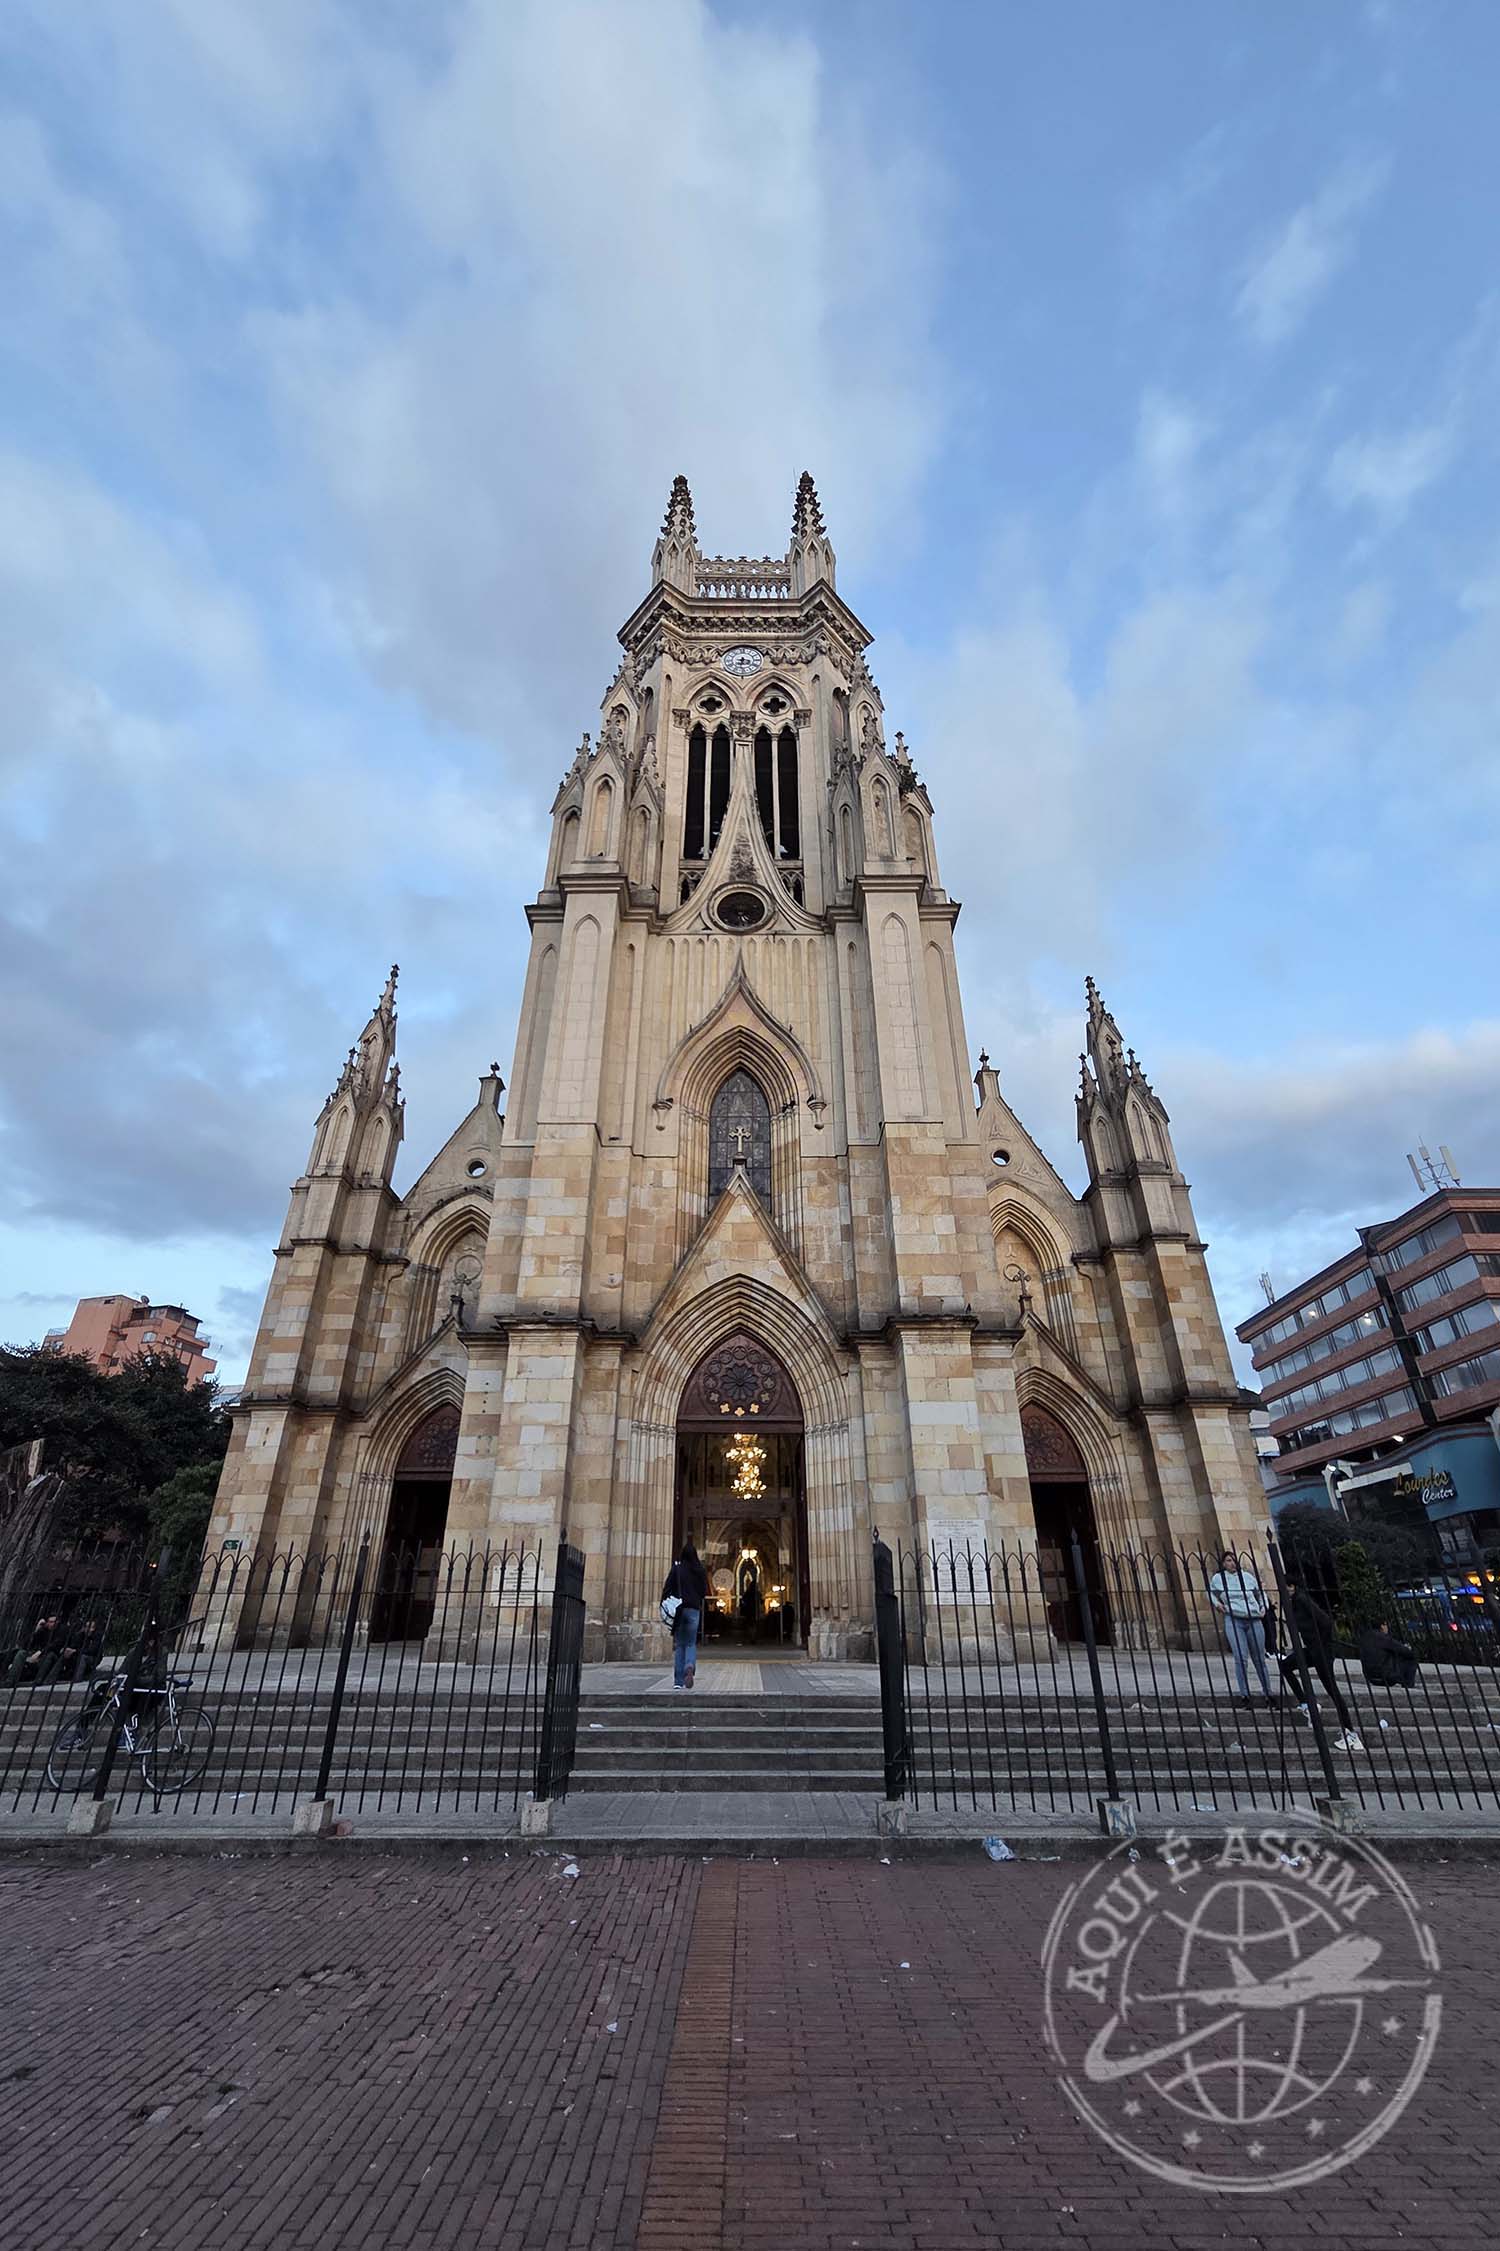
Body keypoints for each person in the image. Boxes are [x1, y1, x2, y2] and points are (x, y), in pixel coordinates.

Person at [1283, 1577, 1363, 1750]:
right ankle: (1306, 1704)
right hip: (1312, 1649)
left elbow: (1325, 1621)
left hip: (1321, 1650)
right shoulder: (1294, 1602)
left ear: (1292, 1586)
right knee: (1286, 1665)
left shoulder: (1302, 1600)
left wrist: (1322, 1644)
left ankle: (1350, 1733)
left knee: (1332, 1689)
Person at [1206, 1551, 1272, 1701]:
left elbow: (1260, 1593)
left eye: (1234, 1560)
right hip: (1234, 1617)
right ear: (1224, 1563)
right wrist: (1217, 1604)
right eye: (1229, 1560)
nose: (1232, 1563)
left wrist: (1263, 1607)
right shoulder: (1218, 1578)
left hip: (1253, 1618)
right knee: (1241, 1658)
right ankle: (1244, 1694)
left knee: (1259, 1658)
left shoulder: (1247, 1577)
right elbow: (1210, 1592)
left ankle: (1268, 1692)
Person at [662, 1540, 708, 1689]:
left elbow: (667, 1588)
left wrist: (665, 1604)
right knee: (690, 1643)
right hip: (693, 1609)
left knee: (680, 1644)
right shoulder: (700, 1570)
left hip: (679, 1610)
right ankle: (689, 1666)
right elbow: (703, 1591)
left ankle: (678, 1681)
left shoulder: (677, 1569)